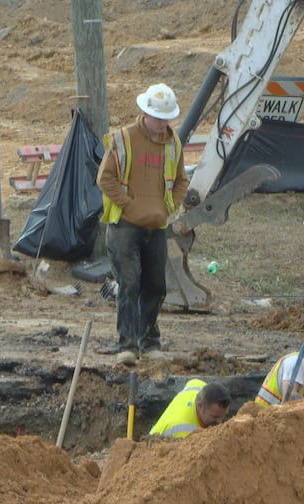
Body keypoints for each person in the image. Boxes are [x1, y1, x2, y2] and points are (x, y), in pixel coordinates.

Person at [96, 82, 189, 366]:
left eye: (166, 118)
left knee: (155, 285)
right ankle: (128, 344)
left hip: (156, 226)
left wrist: (168, 206)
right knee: (129, 283)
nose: (162, 124)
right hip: (125, 226)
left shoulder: (173, 144)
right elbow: (105, 179)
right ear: (145, 113)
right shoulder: (123, 139)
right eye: (158, 117)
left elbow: (181, 180)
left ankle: (150, 343)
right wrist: (128, 205)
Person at [148, 379, 231, 438]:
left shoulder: (198, 387)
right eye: (214, 417)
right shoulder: (184, 431)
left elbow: (193, 382)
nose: (219, 422)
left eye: (222, 416)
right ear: (200, 405)